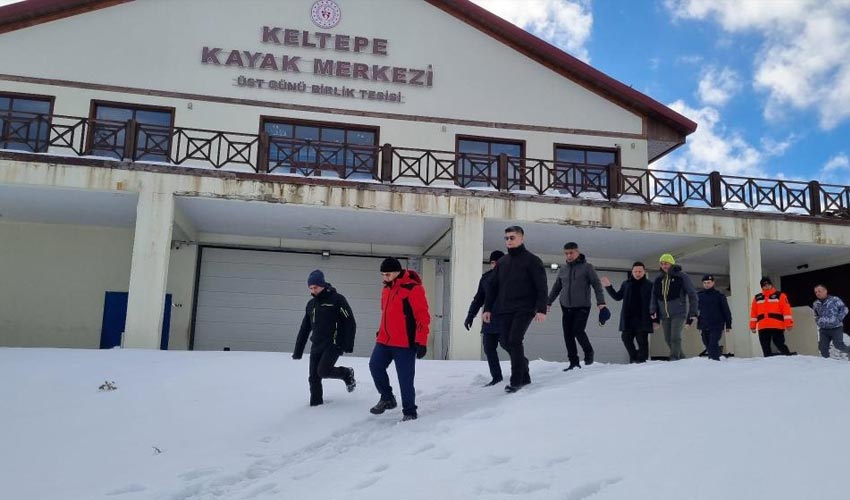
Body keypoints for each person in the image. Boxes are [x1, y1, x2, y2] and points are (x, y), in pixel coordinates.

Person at [483, 226, 547, 393]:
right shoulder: (502, 262)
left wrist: (541, 309)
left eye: (512, 237)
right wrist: (487, 309)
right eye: (506, 238)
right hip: (505, 309)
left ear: (521, 238)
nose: (509, 241)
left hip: (525, 308)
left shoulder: (532, 260)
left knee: (514, 340)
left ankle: (516, 380)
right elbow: (492, 287)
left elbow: (541, 286)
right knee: (504, 341)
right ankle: (524, 371)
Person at [368, 257, 430, 421]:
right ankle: (387, 398)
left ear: (397, 272)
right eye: (382, 275)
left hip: (404, 343)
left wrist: (421, 341)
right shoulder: (386, 289)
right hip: (384, 341)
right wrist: (380, 331)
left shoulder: (412, 289)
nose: (384, 278)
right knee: (375, 366)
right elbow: (386, 314)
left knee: (405, 379)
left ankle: (409, 411)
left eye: (387, 275)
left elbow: (422, 317)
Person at [292, 270, 357, 407]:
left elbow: (349, 322)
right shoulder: (311, 304)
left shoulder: (337, 300)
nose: (313, 290)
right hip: (317, 344)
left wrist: (348, 344)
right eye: (310, 288)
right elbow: (305, 328)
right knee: (313, 378)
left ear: (323, 285)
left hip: (333, 343)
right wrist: (298, 351)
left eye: (315, 287)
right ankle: (316, 407)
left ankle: (346, 373)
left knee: (323, 371)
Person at [547, 242, 608, 370]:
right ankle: (573, 362)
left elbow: (597, 285)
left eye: (571, 253)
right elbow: (556, 287)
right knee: (567, 334)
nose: (569, 255)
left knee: (577, 330)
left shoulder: (587, 267)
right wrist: (548, 302)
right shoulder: (563, 269)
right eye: (566, 253)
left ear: (577, 252)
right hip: (566, 306)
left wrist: (601, 303)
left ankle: (589, 352)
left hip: (582, 306)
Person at [465, 250, 506, 386]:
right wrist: (470, 316)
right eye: (492, 263)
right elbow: (478, 299)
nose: (494, 265)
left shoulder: (511, 278)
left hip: (506, 319)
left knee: (508, 345)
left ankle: (522, 364)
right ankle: (496, 377)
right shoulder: (486, 278)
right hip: (489, 320)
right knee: (489, 348)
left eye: (497, 262)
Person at [601, 262, 653, 363]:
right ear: (632, 272)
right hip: (628, 318)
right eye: (635, 271)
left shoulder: (650, 285)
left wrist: (655, 319)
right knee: (625, 338)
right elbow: (617, 297)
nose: (637, 273)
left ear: (644, 272)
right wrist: (608, 286)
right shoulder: (626, 284)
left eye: (640, 271)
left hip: (643, 319)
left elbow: (654, 302)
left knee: (642, 342)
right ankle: (634, 358)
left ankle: (642, 363)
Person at [650, 253, 698, 360]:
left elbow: (692, 294)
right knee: (668, 338)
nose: (664, 266)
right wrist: (653, 310)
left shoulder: (682, 276)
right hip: (664, 314)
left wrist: (693, 311)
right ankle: (682, 359)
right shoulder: (658, 279)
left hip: (679, 313)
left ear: (671, 263)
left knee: (675, 337)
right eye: (662, 264)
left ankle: (674, 358)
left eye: (666, 263)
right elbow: (653, 296)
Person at [749, 277, 794, 357]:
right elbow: (753, 313)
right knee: (765, 346)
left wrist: (789, 324)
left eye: (768, 284)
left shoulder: (780, 295)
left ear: (771, 284)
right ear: (761, 287)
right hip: (763, 326)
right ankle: (768, 362)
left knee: (779, 343)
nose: (766, 286)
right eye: (764, 285)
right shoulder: (757, 298)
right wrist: (752, 326)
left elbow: (786, 311)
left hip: (777, 325)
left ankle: (788, 357)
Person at [696, 275, 731, 361]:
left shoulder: (719, 296)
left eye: (708, 283)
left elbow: (726, 311)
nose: (706, 284)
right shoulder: (699, 295)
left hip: (717, 324)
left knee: (712, 344)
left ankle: (714, 362)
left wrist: (728, 324)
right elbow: (695, 310)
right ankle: (718, 354)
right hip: (704, 324)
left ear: (713, 283)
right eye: (704, 283)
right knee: (707, 344)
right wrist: (691, 321)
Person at [812, 284, 849, 359]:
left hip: (836, 328)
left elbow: (844, 309)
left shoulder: (835, 299)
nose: (817, 293)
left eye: (819, 291)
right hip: (823, 329)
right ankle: (827, 364)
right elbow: (815, 314)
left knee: (839, 345)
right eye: (816, 292)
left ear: (825, 291)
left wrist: (838, 319)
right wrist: (818, 321)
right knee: (823, 348)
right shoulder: (816, 303)